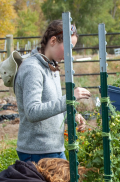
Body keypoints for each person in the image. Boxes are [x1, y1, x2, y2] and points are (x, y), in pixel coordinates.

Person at [14, 20, 92, 162]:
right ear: (53, 40)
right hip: (37, 152)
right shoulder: (33, 69)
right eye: (68, 47)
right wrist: (69, 98)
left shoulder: (52, 67)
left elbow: (53, 105)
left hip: (53, 148)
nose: (70, 54)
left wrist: (71, 116)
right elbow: (32, 111)